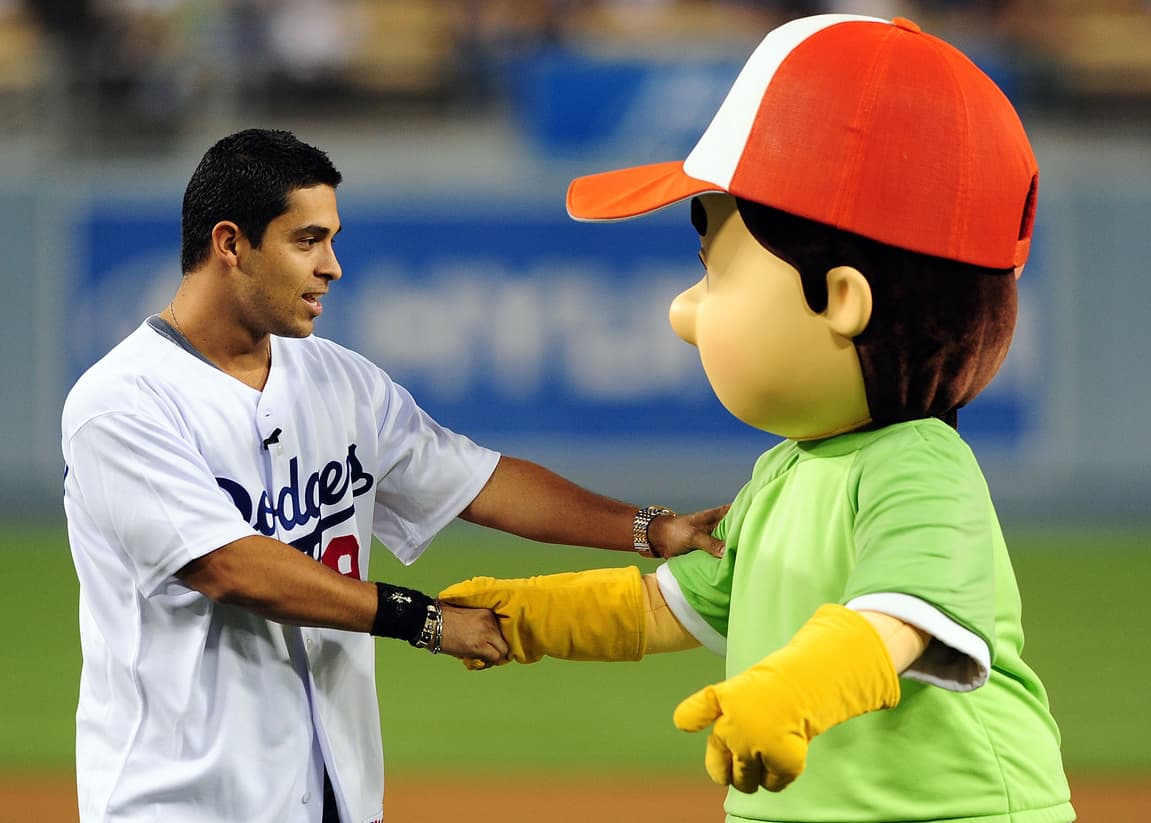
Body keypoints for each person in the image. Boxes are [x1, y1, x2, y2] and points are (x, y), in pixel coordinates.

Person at [441, 14, 1075, 823]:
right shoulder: (785, 471)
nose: (682, 311)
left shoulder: (919, 464)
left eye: (717, 275)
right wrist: (528, 616)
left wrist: (793, 691)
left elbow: (899, 619)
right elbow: (668, 606)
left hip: (952, 808)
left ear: (843, 299)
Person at [59, 128, 726, 823]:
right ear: (230, 244)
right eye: (307, 240)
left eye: (333, 239)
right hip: (180, 800)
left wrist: (651, 529)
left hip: (335, 794)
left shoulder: (340, 381)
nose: (332, 266)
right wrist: (425, 619)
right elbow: (231, 567)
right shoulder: (122, 402)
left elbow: (481, 481)